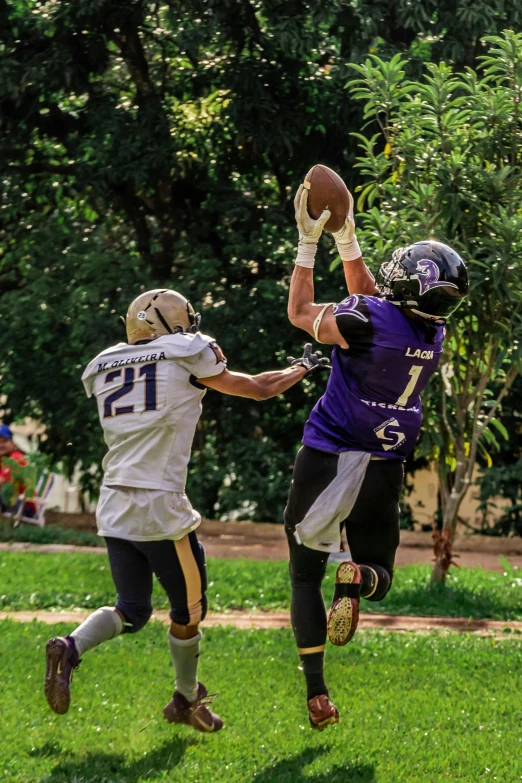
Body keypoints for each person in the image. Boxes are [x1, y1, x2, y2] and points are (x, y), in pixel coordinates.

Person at [44, 288, 328, 733]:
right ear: (165, 321)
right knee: (190, 611)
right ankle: (185, 696)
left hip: (115, 499)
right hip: (160, 503)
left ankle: (71, 646)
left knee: (133, 609)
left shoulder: (104, 364)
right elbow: (255, 389)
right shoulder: (185, 350)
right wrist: (302, 367)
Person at [285, 185, 468, 730]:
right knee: (382, 573)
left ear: (411, 284)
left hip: (328, 455)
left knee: (302, 576)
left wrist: (307, 243)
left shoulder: (364, 320)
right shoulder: (431, 332)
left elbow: (300, 312)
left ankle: (317, 694)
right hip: (384, 464)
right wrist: (349, 240)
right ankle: (357, 579)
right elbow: (371, 302)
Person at [0, 424, 34, 517]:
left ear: (12, 443)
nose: (1, 445)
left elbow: (1, 482)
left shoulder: (16, 459)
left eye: (4, 441)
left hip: (25, 506)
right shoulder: (3, 460)